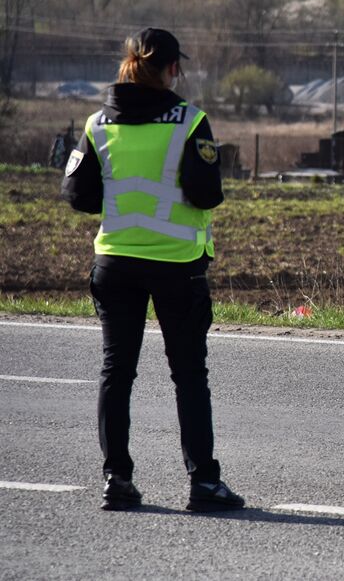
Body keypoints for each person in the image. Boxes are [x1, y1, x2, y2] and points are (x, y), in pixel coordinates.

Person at [61, 28, 244, 513]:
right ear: (172, 69)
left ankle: (116, 480)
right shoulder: (189, 121)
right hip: (176, 265)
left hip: (115, 263)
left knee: (116, 372)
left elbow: (78, 195)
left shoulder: (98, 123)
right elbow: (207, 194)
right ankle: (203, 484)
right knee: (188, 375)